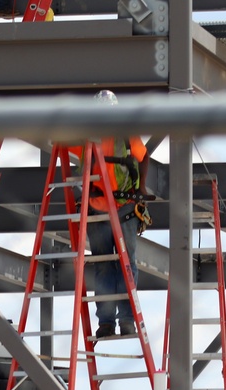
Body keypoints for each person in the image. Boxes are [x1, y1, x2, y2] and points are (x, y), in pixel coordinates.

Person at [76, 89, 150, 339]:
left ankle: (127, 319)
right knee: (104, 265)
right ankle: (106, 322)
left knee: (125, 264)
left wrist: (139, 190)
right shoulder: (87, 134)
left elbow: (143, 157)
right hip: (98, 207)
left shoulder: (125, 134)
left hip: (123, 207)